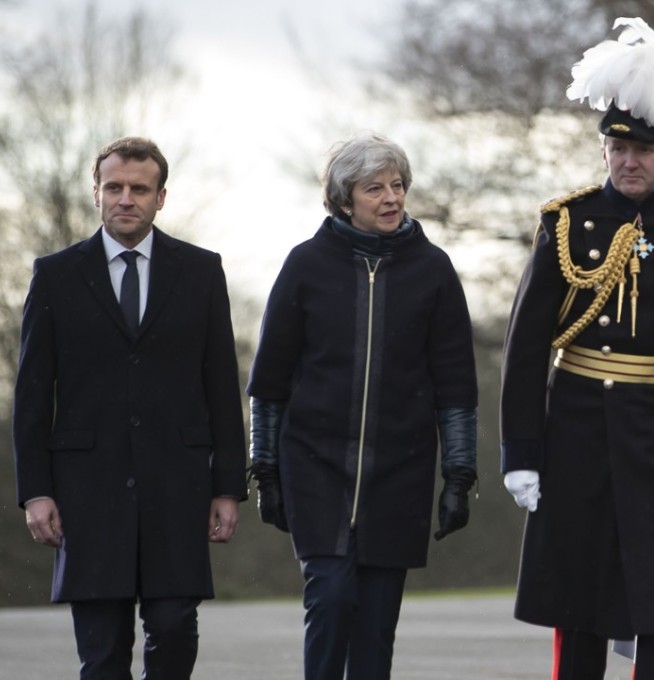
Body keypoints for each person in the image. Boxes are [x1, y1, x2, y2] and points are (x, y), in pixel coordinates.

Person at [499, 17, 654, 680]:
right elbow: (526, 349)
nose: (629, 161)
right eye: (618, 147)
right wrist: (521, 452)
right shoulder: (567, 222)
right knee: (580, 605)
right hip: (580, 433)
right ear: (604, 148)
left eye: (644, 149)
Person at [246, 131, 478, 680]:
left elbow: (456, 386)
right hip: (315, 465)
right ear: (344, 198)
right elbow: (270, 380)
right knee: (328, 601)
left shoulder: (434, 270)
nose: (391, 197)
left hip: (400, 470)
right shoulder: (305, 265)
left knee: (375, 628)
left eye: (398, 185)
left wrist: (459, 475)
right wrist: (266, 470)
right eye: (374, 187)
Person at [12, 136, 247, 679]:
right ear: (96, 193)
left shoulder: (201, 272)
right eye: (114, 187)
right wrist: (36, 491)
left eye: (139, 189)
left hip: (177, 485)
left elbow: (220, 386)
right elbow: (30, 395)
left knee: (173, 629)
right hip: (86, 491)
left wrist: (227, 487)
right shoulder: (56, 275)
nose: (126, 199)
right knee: (102, 650)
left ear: (161, 197)